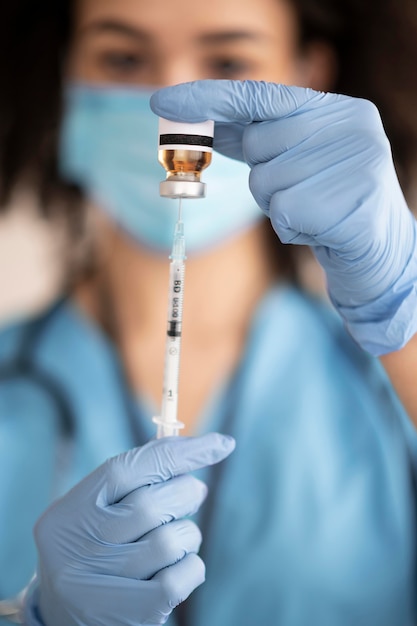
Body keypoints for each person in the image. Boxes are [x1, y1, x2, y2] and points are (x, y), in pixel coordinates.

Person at [1, 0, 417, 624]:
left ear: (308, 76)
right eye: (122, 57)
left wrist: (402, 307)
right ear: (63, 72)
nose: (172, 96)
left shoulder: (393, 375)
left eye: (227, 60)